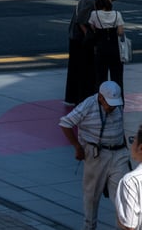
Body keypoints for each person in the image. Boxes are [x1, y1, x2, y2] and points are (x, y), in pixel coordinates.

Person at [59, 80, 129, 230]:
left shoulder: (117, 104)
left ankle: (125, 226)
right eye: (109, 103)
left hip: (119, 153)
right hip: (96, 154)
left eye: (114, 103)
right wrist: (77, 147)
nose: (111, 107)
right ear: (100, 97)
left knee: (124, 195)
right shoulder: (88, 105)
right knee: (92, 196)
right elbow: (65, 123)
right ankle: (89, 227)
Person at [66, 0, 118, 105]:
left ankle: (72, 97)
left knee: (75, 68)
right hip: (80, 39)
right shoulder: (91, 2)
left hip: (74, 36)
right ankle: (83, 96)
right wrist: (89, 35)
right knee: (85, 68)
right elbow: (81, 20)